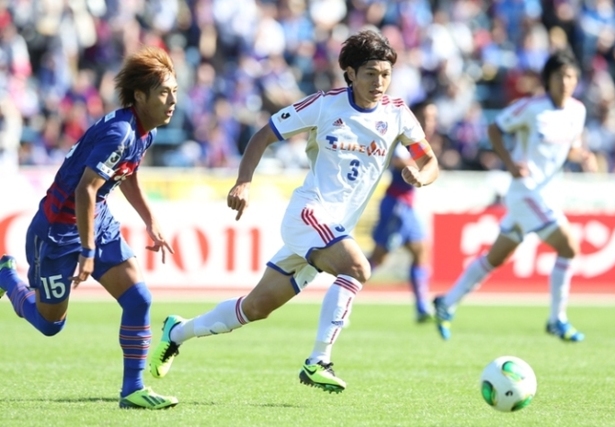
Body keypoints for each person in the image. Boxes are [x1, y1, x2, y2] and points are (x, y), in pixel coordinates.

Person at [148, 29, 439, 393]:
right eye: (370, 74)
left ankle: (177, 331)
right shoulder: (324, 105)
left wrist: (421, 176)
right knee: (358, 268)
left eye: (385, 74)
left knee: (255, 308)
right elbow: (264, 135)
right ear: (350, 73)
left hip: (333, 231)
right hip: (309, 214)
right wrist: (243, 182)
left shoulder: (397, 113)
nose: (379, 82)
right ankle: (318, 361)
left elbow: (430, 161)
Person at [0, 46, 180, 409]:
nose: (173, 100)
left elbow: (127, 173)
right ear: (140, 96)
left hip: (97, 219)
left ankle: (133, 390)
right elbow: (85, 189)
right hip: (57, 231)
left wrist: (150, 220)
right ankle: (6, 276)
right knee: (50, 325)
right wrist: (87, 251)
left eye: (175, 91)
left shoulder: (144, 131)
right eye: (164, 92)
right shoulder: (120, 132)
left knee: (139, 299)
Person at [432, 50, 597, 342]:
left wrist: (583, 156)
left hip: (546, 194)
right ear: (548, 79)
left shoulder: (577, 111)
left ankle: (447, 302)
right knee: (569, 246)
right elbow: (495, 128)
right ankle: (557, 319)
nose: (565, 82)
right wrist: (509, 163)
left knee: (495, 258)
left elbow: (569, 148)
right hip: (526, 192)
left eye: (571, 76)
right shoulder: (531, 108)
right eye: (559, 76)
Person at [368, 102, 439, 323]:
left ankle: (422, 307)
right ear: (414, 117)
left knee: (421, 251)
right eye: (425, 116)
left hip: (407, 206)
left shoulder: (421, 142)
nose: (430, 122)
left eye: (433, 118)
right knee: (378, 258)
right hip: (396, 205)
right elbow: (398, 160)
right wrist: (423, 166)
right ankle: (342, 292)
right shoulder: (405, 136)